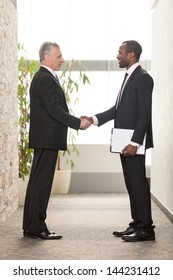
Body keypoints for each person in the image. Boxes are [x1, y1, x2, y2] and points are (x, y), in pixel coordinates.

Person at [83, 40, 155, 242]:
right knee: (131, 183)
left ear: (131, 54)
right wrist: (94, 119)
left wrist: (135, 143)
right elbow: (117, 110)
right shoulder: (128, 77)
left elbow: (144, 115)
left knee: (138, 183)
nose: (117, 55)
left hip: (133, 144)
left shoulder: (143, 78)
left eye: (120, 52)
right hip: (124, 142)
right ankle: (137, 222)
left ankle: (146, 228)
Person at [23, 42, 91, 240]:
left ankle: (31, 226)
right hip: (47, 139)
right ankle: (37, 227)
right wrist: (78, 123)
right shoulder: (45, 78)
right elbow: (55, 110)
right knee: (41, 184)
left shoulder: (44, 76)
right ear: (46, 58)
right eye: (59, 56)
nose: (62, 60)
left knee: (37, 183)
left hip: (45, 139)